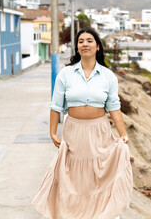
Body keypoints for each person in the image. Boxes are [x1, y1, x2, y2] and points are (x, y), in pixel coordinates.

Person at [32, 28, 133, 219]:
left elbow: (114, 107)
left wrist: (123, 134)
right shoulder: (66, 74)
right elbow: (56, 105)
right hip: (74, 132)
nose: (84, 44)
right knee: (74, 178)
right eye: (80, 41)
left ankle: (100, 214)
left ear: (97, 46)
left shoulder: (107, 76)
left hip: (99, 132)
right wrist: (53, 132)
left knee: (98, 175)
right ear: (77, 47)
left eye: (89, 40)